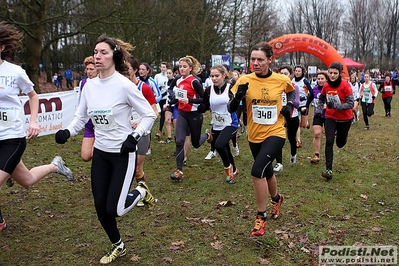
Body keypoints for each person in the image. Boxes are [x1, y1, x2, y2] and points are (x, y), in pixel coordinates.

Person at [54, 34, 157, 264]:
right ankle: (118, 246)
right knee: (100, 206)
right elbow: (80, 118)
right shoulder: (89, 86)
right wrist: (67, 132)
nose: (98, 57)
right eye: (96, 52)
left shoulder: (124, 85)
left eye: (104, 53)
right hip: (101, 152)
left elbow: (149, 114)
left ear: (114, 56)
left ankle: (141, 191)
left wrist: (135, 136)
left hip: (123, 153)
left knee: (116, 209)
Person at [0, 21, 73, 231]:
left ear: (2, 47)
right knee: (28, 180)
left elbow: (33, 96)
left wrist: (33, 122)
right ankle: (54, 166)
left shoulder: (15, 72)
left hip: (12, 138)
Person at [228, 41, 295, 236]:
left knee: (257, 171)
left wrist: (289, 105)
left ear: (270, 60)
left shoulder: (281, 79)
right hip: (254, 135)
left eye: (260, 59)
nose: (255, 63)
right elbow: (231, 109)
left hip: (276, 132)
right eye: (252, 59)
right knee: (266, 172)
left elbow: (291, 92)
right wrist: (238, 97)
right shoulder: (243, 80)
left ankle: (261, 217)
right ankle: (277, 199)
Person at [168, 55, 209, 181]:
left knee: (195, 143)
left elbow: (204, 99)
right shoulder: (178, 80)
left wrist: (190, 100)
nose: (182, 69)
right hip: (182, 113)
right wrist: (169, 104)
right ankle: (179, 171)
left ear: (190, 68)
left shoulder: (194, 81)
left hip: (194, 115)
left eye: (184, 67)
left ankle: (208, 135)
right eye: (180, 67)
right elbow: (178, 96)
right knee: (179, 140)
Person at [125, 55, 159, 207]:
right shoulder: (119, 87)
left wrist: (140, 123)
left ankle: (143, 193)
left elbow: (154, 112)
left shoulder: (144, 88)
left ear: (136, 70)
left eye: (128, 69)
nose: (124, 72)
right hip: (124, 133)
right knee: (125, 166)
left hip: (142, 133)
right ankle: (128, 195)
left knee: (138, 167)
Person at [198, 64, 239, 183]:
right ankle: (234, 170)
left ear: (224, 75)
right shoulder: (209, 90)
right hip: (217, 124)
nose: (214, 78)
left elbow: (235, 105)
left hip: (231, 123)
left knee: (219, 145)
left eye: (217, 76)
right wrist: (199, 108)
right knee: (225, 149)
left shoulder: (230, 88)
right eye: (212, 76)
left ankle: (228, 168)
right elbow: (205, 105)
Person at [314, 62, 354, 181]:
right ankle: (328, 169)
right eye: (330, 73)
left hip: (345, 119)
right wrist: (318, 110)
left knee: (340, 143)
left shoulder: (345, 85)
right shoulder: (326, 85)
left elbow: (350, 103)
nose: (332, 75)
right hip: (330, 117)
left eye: (335, 73)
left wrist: (336, 106)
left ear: (340, 73)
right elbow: (321, 99)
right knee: (329, 141)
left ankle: (343, 136)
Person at [274, 65, 300, 172]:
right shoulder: (276, 86)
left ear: (291, 75)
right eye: (282, 73)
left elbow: (298, 104)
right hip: (278, 116)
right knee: (277, 138)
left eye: (286, 74)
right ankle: (278, 162)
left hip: (292, 116)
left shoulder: (294, 87)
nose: (283, 76)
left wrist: (289, 101)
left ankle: (293, 154)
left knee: (291, 138)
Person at [77, 56, 98, 162]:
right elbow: (80, 102)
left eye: (91, 69)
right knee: (85, 156)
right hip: (89, 122)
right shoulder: (83, 83)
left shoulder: (103, 82)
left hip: (101, 122)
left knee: (97, 155)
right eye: (87, 69)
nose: (89, 72)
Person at [310, 71, 328, 164]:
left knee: (329, 136)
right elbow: (309, 98)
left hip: (329, 115)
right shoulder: (315, 89)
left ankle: (328, 155)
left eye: (322, 79)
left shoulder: (330, 89)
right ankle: (316, 155)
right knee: (317, 134)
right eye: (319, 79)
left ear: (326, 79)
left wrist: (327, 105)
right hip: (318, 114)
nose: (320, 81)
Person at [292, 65, 313, 148]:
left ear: (302, 72)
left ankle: (306, 123)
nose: (297, 73)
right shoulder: (292, 80)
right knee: (297, 123)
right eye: (296, 71)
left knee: (303, 125)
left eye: (299, 71)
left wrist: (307, 105)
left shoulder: (305, 81)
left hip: (304, 104)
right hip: (296, 105)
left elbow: (312, 94)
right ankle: (298, 141)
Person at [154, 61, 170, 139]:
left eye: (164, 67)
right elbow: (155, 86)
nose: (162, 68)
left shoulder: (168, 76)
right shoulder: (157, 76)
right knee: (158, 114)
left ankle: (159, 131)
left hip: (166, 99)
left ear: (167, 68)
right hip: (158, 98)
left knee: (164, 115)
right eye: (161, 67)